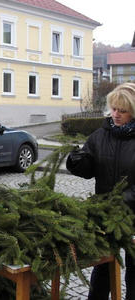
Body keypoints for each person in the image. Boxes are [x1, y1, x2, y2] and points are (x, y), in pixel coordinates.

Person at [66, 82, 135, 300]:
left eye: (122, 111)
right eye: (114, 108)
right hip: (104, 217)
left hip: (133, 216)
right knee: (102, 268)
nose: (116, 114)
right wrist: (76, 162)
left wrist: (124, 199)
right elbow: (89, 169)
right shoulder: (99, 136)